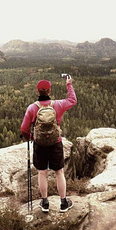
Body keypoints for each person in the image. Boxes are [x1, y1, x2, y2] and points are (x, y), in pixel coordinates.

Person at [21, 75, 77, 213]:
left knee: (42, 172)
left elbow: (24, 128)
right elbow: (72, 100)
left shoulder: (32, 108)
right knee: (59, 172)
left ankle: (45, 202)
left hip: (40, 144)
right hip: (55, 143)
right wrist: (69, 84)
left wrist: (29, 137)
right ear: (49, 91)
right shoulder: (57, 105)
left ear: (37, 91)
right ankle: (63, 202)